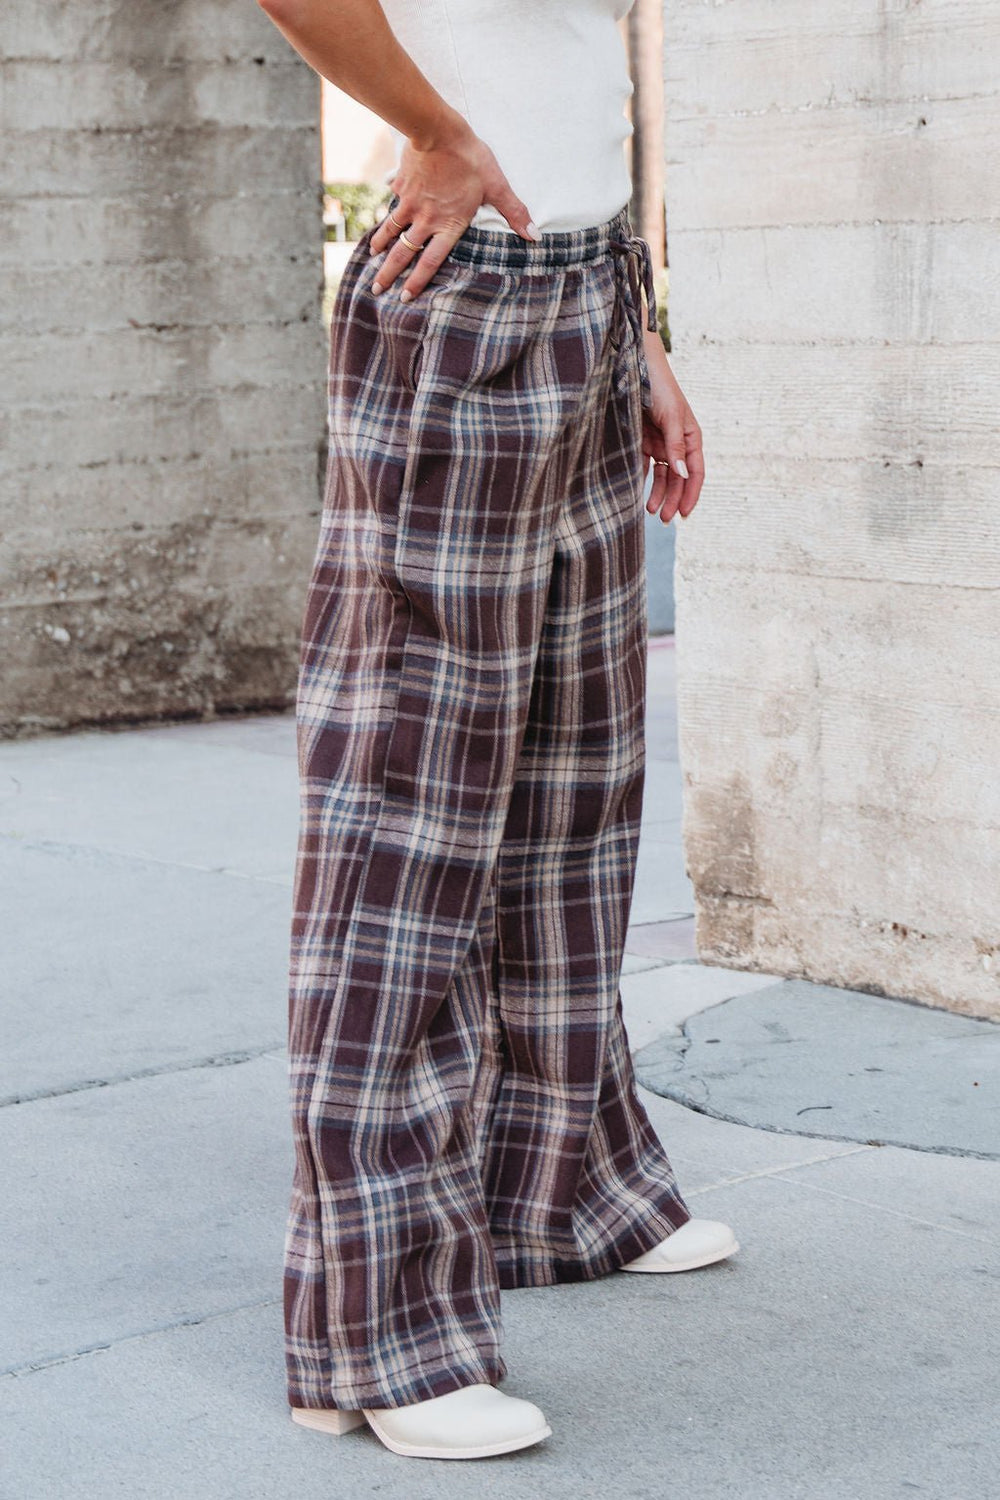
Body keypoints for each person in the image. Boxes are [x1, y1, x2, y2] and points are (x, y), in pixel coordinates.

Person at [256, 0, 738, 1463]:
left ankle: (560, 1187)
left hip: (582, 291)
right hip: (460, 288)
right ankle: (374, 1334)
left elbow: (574, 62)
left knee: (571, 794)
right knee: (406, 817)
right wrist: (433, 132)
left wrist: (635, 326)